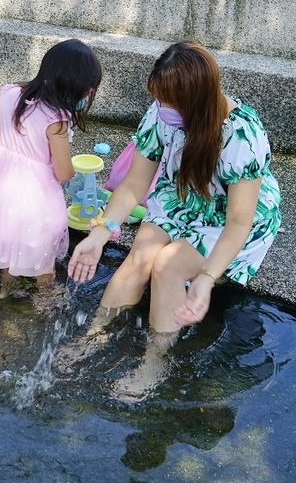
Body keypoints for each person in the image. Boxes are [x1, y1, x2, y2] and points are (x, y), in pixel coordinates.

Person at [60, 40, 282, 401]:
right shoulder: (162, 112)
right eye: (159, 100)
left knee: (167, 266)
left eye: (170, 103)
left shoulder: (243, 134)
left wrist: (207, 278)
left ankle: (154, 362)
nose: (161, 109)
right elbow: (133, 185)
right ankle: (93, 336)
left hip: (230, 216)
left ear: (198, 101)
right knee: (139, 258)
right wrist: (101, 234)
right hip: (181, 195)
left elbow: (239, 222)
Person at [0, 39, 103, 299]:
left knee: (8, 245)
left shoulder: (9, 94)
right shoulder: (57, 119)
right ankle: (46, 303)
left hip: (2, 188)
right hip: (37, 197)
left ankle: (5, 290)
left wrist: (13, 162)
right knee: (44, 257)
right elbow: (63, 173)